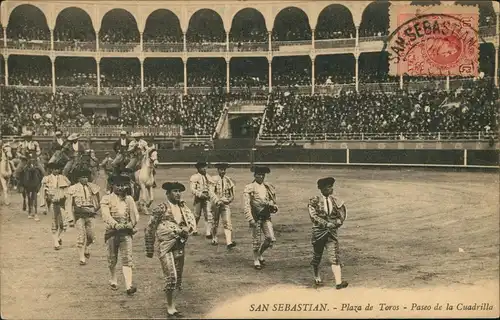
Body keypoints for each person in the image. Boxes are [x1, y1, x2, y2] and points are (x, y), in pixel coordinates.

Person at [145, 182, 197, 317]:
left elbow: (192, 224)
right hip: (165, 247)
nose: (178, 194)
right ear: (167, 194)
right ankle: (170, 306)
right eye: (175, 191)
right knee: (171, 277)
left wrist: (187, 230)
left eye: (179, 191)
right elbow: (150, 228)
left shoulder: (184, 208)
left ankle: (173, 304)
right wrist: (149, 248)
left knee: (178, 278)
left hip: (179, 245)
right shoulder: (160, 209)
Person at [101, 174, 139, 295]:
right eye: (118, 185)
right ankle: (113, 277)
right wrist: (115, 224)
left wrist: (131, 224)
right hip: (112, 232)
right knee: (112, 258)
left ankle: (129, 285)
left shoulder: (129, 199)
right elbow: (106, 215)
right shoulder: (106, 199)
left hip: (126, 232)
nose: (121, 188)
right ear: (112, 186)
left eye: (123, 185)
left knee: (127, 258)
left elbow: (135, 215)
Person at [307, 177, 348, 289]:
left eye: (331, 186)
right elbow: (313, 216)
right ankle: (316, 276)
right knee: (317, 256)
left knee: (334, 256)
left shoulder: (335, 200)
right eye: (329, 187)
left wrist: (339, 222)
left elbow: (342, 214)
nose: (331, 189)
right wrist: (326, 224)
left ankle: (338, 283)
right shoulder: (314, 201)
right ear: (322, 189)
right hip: (319, 232)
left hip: (331, 233)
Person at [243, 166, 278, 270]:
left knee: (270, 238)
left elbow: (274, 202)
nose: (261, 176)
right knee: (256, 240)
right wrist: (250, 218)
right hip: (255, 216)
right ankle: (256, 260)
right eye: (259, 175)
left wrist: (273, 206)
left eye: (263, 175)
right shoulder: (249, 187)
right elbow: (246, 205)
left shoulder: (268, 187)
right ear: (255, 175)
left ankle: (259, 254)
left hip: (266, 216)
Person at [66, 168, 101, 265]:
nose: (85, 179)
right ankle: (81, 257)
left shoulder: (91, 187)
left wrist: (95, 208)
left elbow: (98, 200)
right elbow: (69, 204)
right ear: (78, 179)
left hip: (90, 214)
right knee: (81, 236)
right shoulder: (73, 188)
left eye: (86, 177)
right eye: (83, 177)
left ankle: (86, 248)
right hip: (79, 215)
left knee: (91, 236)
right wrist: (70, 218)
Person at [39, 162, 71, 250]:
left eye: (58, 169)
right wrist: (45, 201)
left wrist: (66, 198)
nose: (56, 170)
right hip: (52, 203)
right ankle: (56, 242)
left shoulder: (63, 178)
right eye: (54, 169)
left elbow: (67, 189)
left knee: (62, 224)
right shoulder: (47, 179)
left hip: (62, 202)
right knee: (54, 223)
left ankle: (58, 237)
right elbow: (43, 191)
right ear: (51, 170)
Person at [210, 162, 236, 248]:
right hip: (215, 204)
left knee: (227, 221)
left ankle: (229, 242)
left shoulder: (228, 180)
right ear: (218, 170)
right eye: (221, 169)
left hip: (224, 204)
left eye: (224, 169)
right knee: (215, 222)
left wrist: (229, 200)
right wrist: (217, 200)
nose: (223, 171)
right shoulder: (213, 179)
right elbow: (211, 192)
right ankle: (214, 237)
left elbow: (232, 193)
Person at [189, 161, 214, 238]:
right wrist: (200, 194)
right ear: (198, 168)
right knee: (197, 215)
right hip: (198, 198)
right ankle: (194, 229)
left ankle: (208, 232)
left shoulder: (208, 177)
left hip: (207, 197)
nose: (204, 169)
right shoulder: (194, 177)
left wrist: (209, 193)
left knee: (208, 214)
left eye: (205, 167)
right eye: (202, 167)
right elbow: (192, 189)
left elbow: (212, 186)